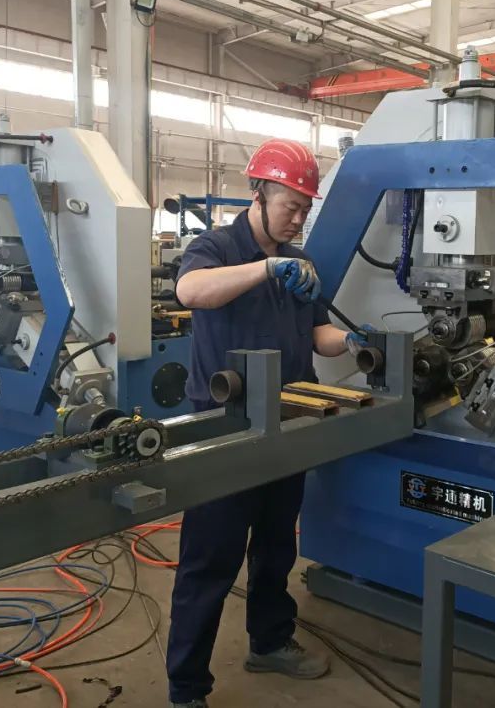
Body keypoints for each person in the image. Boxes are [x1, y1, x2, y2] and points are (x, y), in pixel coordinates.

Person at [167, 139, 365, 708]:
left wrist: (354, 341)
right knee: (211, 558)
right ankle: (186, 687)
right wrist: (266, 268)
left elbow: (316, 335)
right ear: (258, 194)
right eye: (290, 206)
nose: (298, 219)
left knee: (277, 544)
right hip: (225, 429)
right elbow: (190, 291)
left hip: (289, 419)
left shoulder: (300, 262)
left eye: (305, 209)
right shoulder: (216, 247)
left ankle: (270, 641)